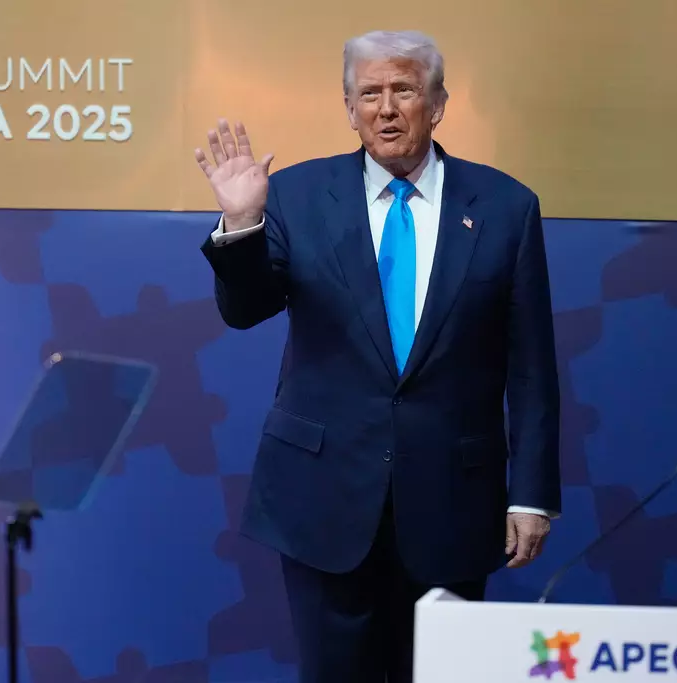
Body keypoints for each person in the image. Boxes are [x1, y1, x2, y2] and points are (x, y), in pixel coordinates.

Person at [196, 29, 560, 683]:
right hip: (323, 499)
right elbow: (244, 308)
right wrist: (243, 224)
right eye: (369, 94)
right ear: (349, 108)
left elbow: (532, 367)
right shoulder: (296, 196)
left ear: (438, 103)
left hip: (453, 503)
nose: (386, 108)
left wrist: (531, 495)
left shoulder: (507, 207)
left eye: (404, 90)